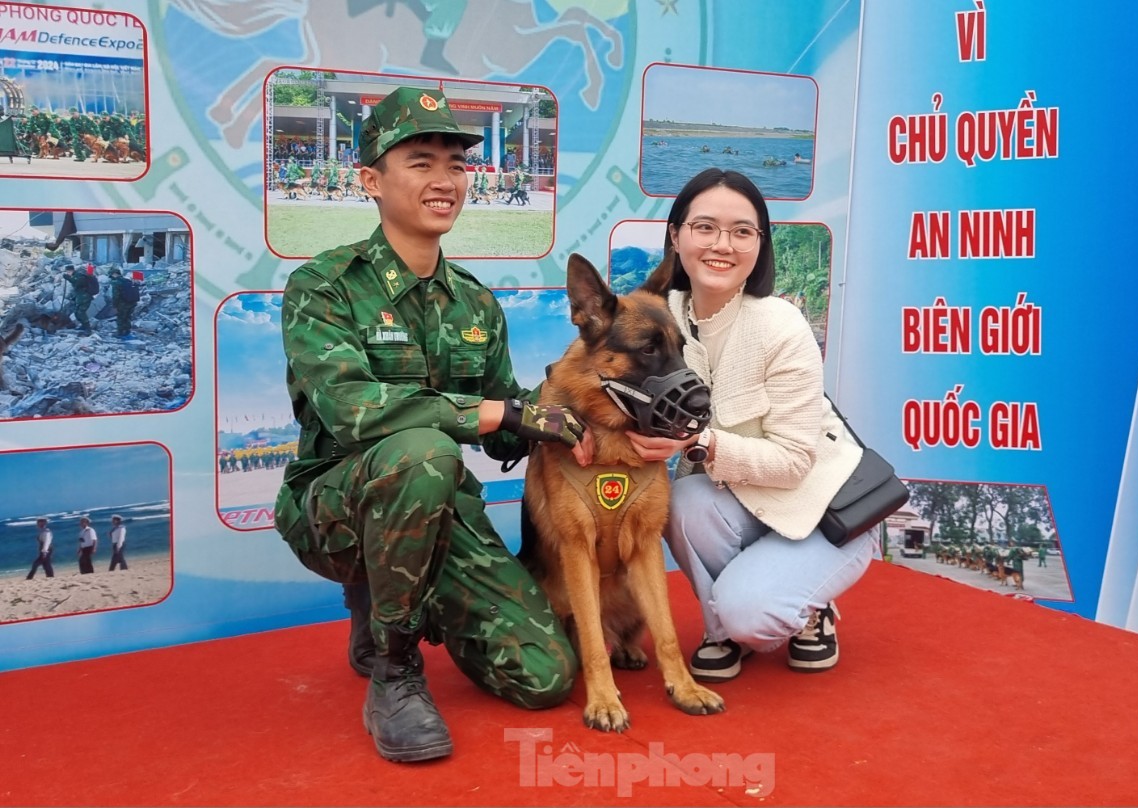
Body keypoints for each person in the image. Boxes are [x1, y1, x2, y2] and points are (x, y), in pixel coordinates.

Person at [274, 87, 588, 764]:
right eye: (420, 161)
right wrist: (489, 413)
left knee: (546, 677)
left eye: (456, 163)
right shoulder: (323, 289)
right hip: (335, 509)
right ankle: (392, 668)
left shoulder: (476, 301)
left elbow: (509, 427)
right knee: (422, 452)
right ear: (370, 181)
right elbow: (352, 411)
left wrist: (570, 407)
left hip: (436, 511)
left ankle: (400, 594)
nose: (445, 180)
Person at [627, 168, 879, 682]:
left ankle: (807, 610)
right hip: (739, 502)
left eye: (742, 231)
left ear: (759, 245)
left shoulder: (780, 325)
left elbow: (792, 464)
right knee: (684, 500)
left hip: (824, 512)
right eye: (705, 227)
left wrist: (697, 443)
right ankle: (723, 629)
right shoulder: (655, 313)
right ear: (676, 235)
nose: (723, 244)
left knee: (752, 616)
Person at [62, 264, 97, 332]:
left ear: (72, 270)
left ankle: (88, 328)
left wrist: (68, 278)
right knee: (76, 312)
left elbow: (78, 283)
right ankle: (83, 325)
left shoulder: (79, 275)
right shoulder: (74, 276)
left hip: (85, 297)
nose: (68, 273)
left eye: (69, 272)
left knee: (81, 312)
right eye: (67, 272)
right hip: (80, 297)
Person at [108, 267, 138, 338]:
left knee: (120, 318)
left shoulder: (116, 283)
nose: (111, 277)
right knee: (127, 317)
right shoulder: (127, 280)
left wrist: (114, 305)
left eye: (111, 275)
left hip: (123, 304)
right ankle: (127, 331)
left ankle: (120, 333)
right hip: (132, 303)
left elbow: (116, 296)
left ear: (114, 274)